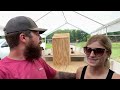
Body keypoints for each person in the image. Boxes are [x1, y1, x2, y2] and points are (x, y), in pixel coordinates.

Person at [0, 16, 76, 79]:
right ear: (23, 37)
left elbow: (56, 75)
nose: (40, 38)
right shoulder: (2, 71)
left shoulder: (37, 60)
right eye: (37, 34)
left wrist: (80, 74)